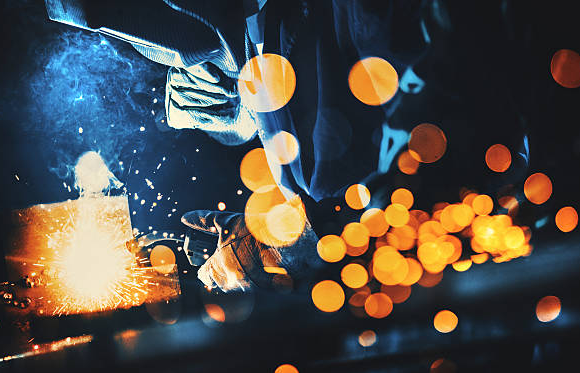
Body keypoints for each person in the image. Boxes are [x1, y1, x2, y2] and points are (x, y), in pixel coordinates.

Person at [46, 0, 530, 292]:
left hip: (471, 290)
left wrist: (290, 246)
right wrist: (262, 228)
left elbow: (442, 164)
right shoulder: (255, 23)